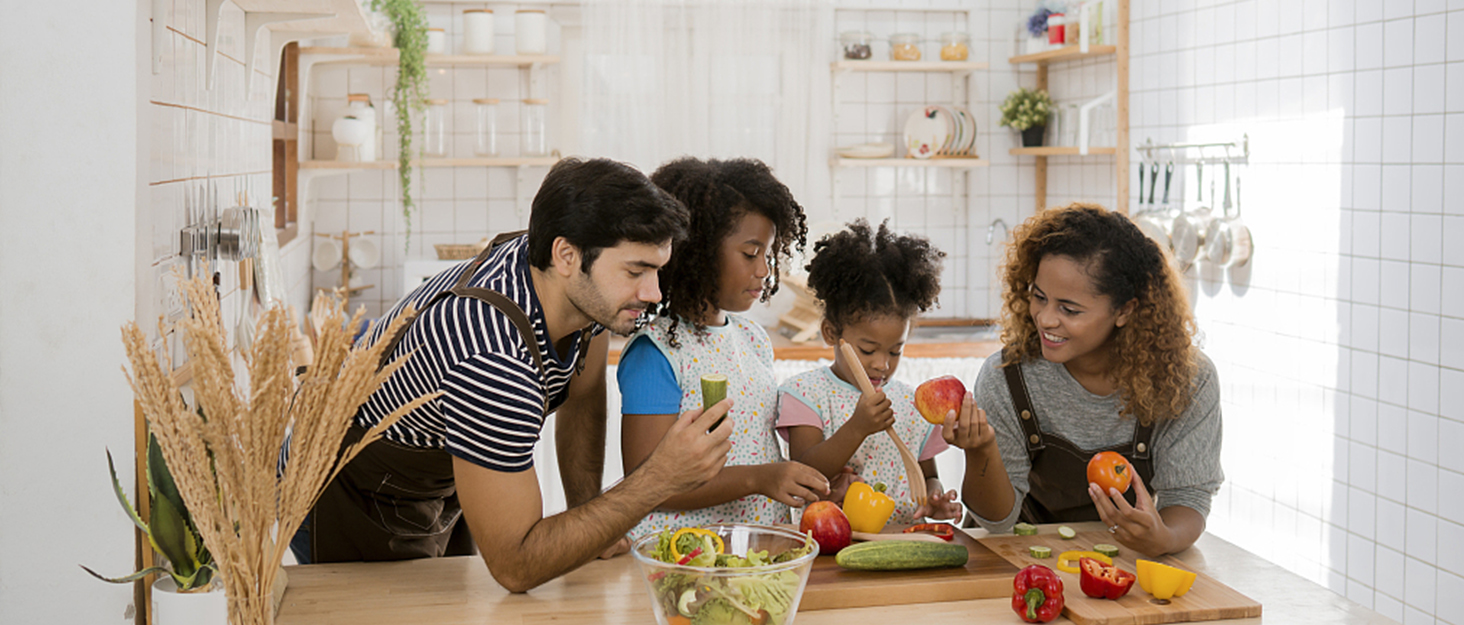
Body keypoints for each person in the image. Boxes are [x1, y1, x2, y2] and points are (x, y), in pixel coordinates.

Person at [292, 158, 737, 593]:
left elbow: (583, 396)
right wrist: (659, 478)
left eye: (657, 270)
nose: (653, 293)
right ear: (566, 255)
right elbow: (516, 566)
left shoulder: (575, 282)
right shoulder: (492, 358)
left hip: (437, 478)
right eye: (636, 271)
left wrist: (591, 514)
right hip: (355, 494)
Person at [958, 203, 1223, 556]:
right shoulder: (1006, 377)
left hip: (1119, 560)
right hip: (1009, 560)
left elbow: (1187, 497)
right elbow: (996, 522)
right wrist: (980, 451)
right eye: (1039, 297)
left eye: (1069, 309)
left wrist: (1165, 538)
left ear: (1125, 310)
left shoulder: (1188, 380)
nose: (1046, 319)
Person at [617, 157, 828, 538]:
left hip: (758, 552)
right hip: (684, 559)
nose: (764, 270)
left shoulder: (752, 338)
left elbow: (760, 446)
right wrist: (759, 479)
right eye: (750, 254)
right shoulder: (656, 352)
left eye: (768, 254)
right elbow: (644, 484)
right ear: (698, 250)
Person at [776, 219, 964, 525]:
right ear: (830, 333)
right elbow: (805, 470)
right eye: (867, 350)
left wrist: (934, 500)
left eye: (895, 351)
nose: (882, 364)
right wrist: (857, 428)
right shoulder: (806, 394)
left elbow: (928, 476)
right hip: (830, 548)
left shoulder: (911, 404)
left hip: (903, 548)